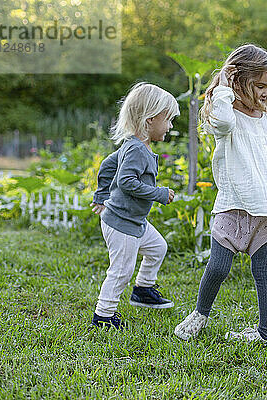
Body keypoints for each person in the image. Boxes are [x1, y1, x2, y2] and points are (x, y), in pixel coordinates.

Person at [174, 44, 267, 343]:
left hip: (265, 207)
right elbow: (222, 123)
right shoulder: (225, 115)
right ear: (237, 81)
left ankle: (265, 334)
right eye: (260, 86)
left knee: (263, 272)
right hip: (233, 204)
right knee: (219, 266)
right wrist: (222, 87)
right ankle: (199, 315)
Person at [89, 82, 179, 329]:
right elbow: (126, 182)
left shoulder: (134, 144)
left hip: (135, 221)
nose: (170, 126)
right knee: (121, 270)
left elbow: (108, 165)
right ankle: (104, 316)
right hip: (122, 224)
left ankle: (143, 290)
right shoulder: (137, 149)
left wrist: (100, 195)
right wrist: (158, 193)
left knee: (158, 247)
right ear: (150, 119)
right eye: (168, 119)